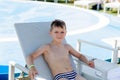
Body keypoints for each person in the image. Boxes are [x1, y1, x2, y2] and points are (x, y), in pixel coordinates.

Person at [27, 19, 95, 80]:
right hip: (60, 76)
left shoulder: (67, 47)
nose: (59, 35)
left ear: (65, 33)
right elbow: (30, 56)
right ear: (51, 32)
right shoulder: (47, 47)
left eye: (62, 32)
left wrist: (87, 61)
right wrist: (32, 68)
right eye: (56, 32)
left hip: (74, 74)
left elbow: (79, 56)